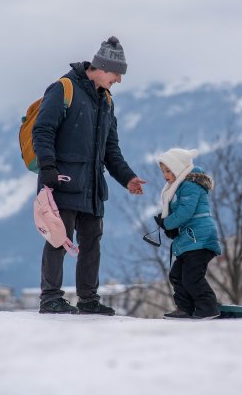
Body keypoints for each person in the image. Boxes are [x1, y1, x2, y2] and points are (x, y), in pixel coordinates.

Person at [32, 36, 146, 316]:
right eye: (117, 74)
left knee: (91, 242)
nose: (118, 80)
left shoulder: (106, 101)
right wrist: (48, 167)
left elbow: (111, 148)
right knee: (58, 238)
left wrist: (127, 178)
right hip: (63, 181)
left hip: (93, 187)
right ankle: (50, 298)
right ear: (102, 67)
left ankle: (88, 299)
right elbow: (42, 130)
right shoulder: (64, 88)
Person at [154, 148, 222, 319]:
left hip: (200, 239)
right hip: (191, 239)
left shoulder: (190, 185)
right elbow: (180, 211)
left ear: (178, 168)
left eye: (168, 170)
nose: (165, 175)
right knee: (176, 275)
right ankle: (185, 308)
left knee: (192, 277)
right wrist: (170, 226)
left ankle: (208, 307)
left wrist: (167, 223)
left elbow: (185, 212)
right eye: (163, 171)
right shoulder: (182, 187)